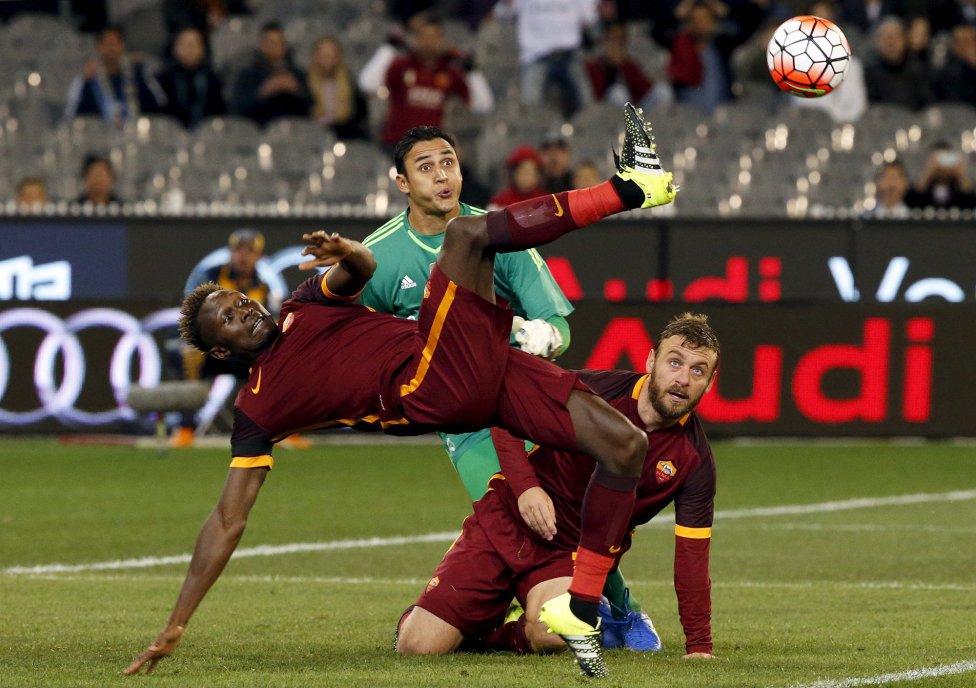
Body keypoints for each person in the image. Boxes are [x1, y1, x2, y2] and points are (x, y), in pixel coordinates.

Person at [124, 103, 678, 679]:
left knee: (625, 447)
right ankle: (628, 189)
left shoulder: (302, 304)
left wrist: (347, 252)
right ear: (221, 351)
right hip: (431, 386)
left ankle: (586, 607)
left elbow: (363, 266)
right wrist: (176, 622)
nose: (244, 311)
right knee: (467, 233)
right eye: (228, 319)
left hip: (493, 374)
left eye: (240, 301)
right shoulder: (257, 409)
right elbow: (226, 520)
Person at [360, 125, 661, 650]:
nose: (442, 175)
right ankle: (492, 610)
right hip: (466, 422)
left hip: (526, 399)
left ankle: (618, 608)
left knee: (576, 509)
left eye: (448, 162)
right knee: (513, 511)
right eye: (426, 167)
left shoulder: (502, 233)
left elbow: (558, 325)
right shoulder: (379, 258)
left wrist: (536, 335)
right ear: (402, 183)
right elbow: (360, 345)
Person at [395, 312, 719, 663]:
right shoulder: (593, 392)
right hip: (507, 521)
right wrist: (525, 487)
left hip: (568, 556)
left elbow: (692, 559)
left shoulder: (694, 463)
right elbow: (505, 405)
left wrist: (699, 646)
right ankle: (463, 614)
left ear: (709, 383)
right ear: (652, 361)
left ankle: (502, 632)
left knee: (553, 633)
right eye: (674, 362)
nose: (682, 379)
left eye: (697, 371)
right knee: (417, 647)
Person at [170, 229, 296, 448]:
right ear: (230, 252)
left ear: (259, 256)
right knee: (187, 353)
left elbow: (272, 324)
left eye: (250, 251)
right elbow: (192, 318)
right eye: (239, 250)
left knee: (282, 359)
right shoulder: (210, 278)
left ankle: (282, 429)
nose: (243, 256)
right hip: (211, 351)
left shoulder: (265, 287)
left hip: (246, 355)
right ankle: (186, 427)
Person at [357, 12, 494, 147]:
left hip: (428, 148)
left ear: (442, 39)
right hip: (396, 144)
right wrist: (389, 47)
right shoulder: (401, 65)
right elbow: (367, 84)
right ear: (415, 38)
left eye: (434, 37)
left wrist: (472, 71)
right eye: (423, 37)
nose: (428, 42)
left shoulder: (448, 72)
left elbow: (483, 105)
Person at [493, 0, 599, 118]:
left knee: (588, 107)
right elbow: (502, 12)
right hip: (535, 55)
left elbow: (590, 17)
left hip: (569, 54)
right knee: (529, 108)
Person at [64, 24, 166, 125]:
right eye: (108, 43)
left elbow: (158, 104)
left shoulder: (136, 73)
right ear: (99, 47)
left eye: (116, 43)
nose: (112, 48)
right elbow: (72, 115)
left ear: (123, 46)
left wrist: (141, 72)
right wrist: (85, 80)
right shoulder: (88, 78)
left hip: (133, 130)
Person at [232, 21, 312, 126]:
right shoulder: (248, 74)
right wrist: (263, 91)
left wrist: (297, 90)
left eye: (279, 42)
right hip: (261, 127)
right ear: (262, 45)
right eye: (271, 42)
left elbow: (311, 106)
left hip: (294, 128)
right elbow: (239, 108)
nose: (275, 46)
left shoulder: (298, 73)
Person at [156, 26, 228, 129]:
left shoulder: (213, 79)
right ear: (174, 48)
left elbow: (220, 114)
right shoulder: (162, 79)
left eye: (194, 44)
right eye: (184, 44)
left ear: (203, 48)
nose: (189, 49)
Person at [863, 16, 932, 111]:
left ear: (905, 40)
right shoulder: (869, 72)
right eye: (886, 38)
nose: (891, 43)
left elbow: (927, 103)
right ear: (877, 42)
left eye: (895, 37)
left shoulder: (917, 69)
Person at [307, 36, 369, 140]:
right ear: (315, 56)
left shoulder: (350, 83)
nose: (328, 57)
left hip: (345, 135)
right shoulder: (305, 85)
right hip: (314, 137)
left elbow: (360, 116)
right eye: (323, 53)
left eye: (332, 53)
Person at [583, 21, 655, 109]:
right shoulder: (595, 65)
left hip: (637, 107)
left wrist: (622, 65)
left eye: (621, 40)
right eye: (614, 39)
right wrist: (610, 65)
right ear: (605, 41)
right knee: (618, 92)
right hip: (606, 109)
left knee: (662, 91)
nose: (616, 44)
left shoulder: (629, 64)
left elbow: (644, 89)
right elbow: (597, 93)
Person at [906, 142, 976, 210]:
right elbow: (912, 201)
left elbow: (971, 202)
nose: (943, 163)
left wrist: (961, 174)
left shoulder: (959, 188)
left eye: (947, 158)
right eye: (939, 158)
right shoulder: (924, 188)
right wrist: (928, 172)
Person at [489, 144, 548, 209]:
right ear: (514, 173)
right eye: (524, 171)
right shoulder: (500, 201)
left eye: (532, 172)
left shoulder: (545, 200)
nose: (528, 176)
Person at [932, 23, 976, 106]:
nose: (963, 46)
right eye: (958, 42)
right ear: (952, 45)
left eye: (967, 41)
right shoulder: (944, 70)